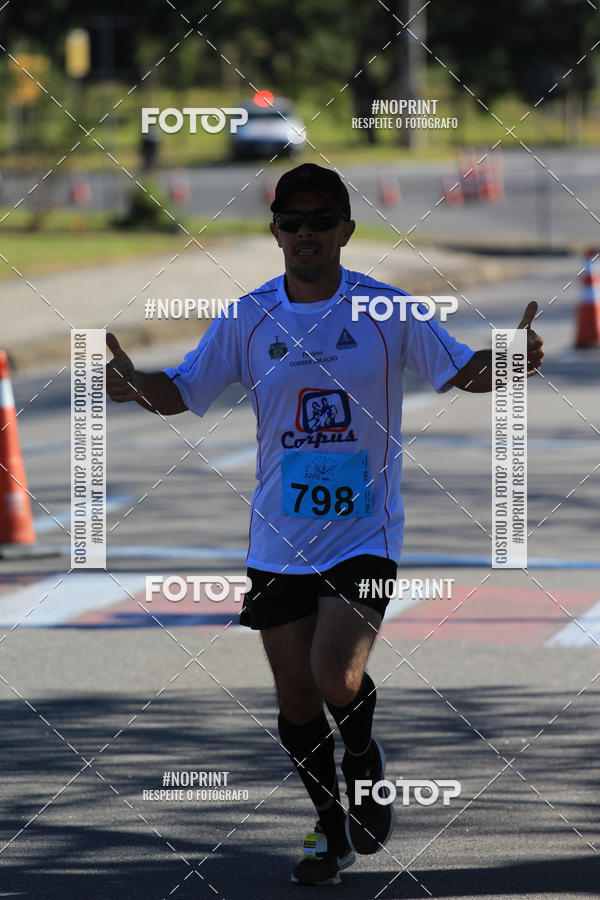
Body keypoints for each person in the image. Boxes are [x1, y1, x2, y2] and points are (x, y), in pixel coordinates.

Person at [106, 162, 544, 886]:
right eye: (290, 221)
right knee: (298, 699)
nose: (304, 233)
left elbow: (461, 369)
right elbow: (182, 391)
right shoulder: (250, 317)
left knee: (335, 675)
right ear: (275, 233)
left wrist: (512, 361)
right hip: (279, 535)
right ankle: (329, 828)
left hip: (365, 531)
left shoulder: (388, 313)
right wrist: (134, 388)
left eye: (319, 220)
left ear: (345, 229)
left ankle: (364, 761)